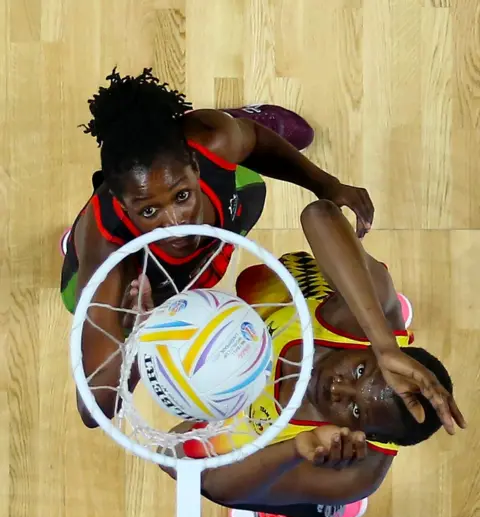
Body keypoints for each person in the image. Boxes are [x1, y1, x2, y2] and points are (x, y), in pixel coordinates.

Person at [60, 67, 376, 427]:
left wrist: (325, 184)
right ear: (121, 202)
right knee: (76, 299)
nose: (176, 223)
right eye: (149, 210)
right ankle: (74, 241)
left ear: (194, 167)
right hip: (150, 286)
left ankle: (238, 114)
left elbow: (257, 139)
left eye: (181, 196)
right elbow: (94, 409)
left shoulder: (215, 141)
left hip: (205, 248)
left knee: (252, 186)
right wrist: (141, 331)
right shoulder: (109, 258)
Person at [158, 199, 466, 517]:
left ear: (364, 434)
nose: (339, 389)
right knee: (276, 276)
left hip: (285, 446)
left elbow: (203, 480)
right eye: (361, 370)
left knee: (228, 471)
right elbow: (318, 214)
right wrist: (381, 338)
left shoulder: (357, 474)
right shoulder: (358, 331)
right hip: (310, 310)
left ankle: (309, 516)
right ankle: (371, 306)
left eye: (354, 410)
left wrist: (294, 451)